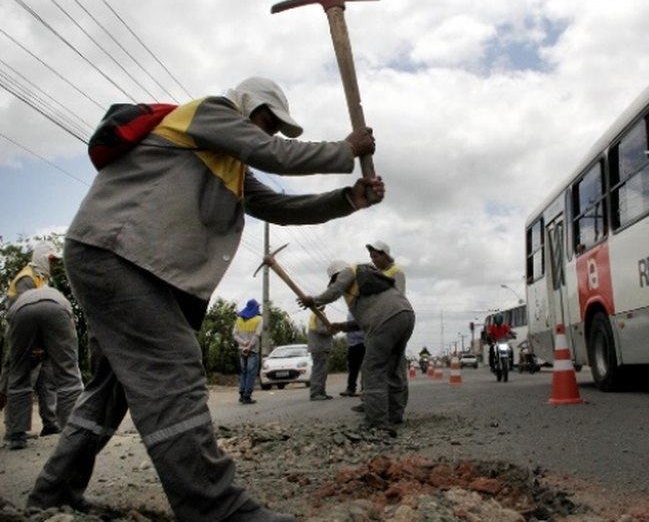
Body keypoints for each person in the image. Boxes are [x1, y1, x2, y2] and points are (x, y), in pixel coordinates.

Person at [26, 76, 382, 522]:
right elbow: (275, 155)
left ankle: (52, 493)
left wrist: (349, 198)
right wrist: (346, 150)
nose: (268, 134)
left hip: (125, 261)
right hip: (117, 253)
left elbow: (279, 207)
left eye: (274, 128)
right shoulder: (211, 112)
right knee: (174, 368)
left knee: (111, 389)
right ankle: (214, 508)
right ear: (246, 106)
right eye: (267, 121)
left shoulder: (230, 163)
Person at [295, 260, 414, 435]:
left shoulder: (348, 272)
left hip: (386, 320)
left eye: (335, 280)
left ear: (337, 276)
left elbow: (334, 292)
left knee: (372, 369)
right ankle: (395, 415)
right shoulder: (370, 280)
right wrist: (342, 326)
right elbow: (365, 319)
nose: (338, 284)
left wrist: (312, 300)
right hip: (406, 315)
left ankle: (377, 422)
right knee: (393, 368)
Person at [2, 286, 83, 450]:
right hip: (57, 307)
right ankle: (74, 431)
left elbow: (10, 362)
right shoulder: (58, 299)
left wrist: (3, 387)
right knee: (68, 373)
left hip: (20, 311)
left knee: (18, 373)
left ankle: (16, 435)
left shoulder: (18, 303)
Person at [1, 241, 64, 438]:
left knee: (47, 378)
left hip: (39, 339)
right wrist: (33, 344)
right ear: (42, 258)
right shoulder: (26, 279)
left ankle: (51, 423)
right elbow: (23, 314)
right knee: (17, 381)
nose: (53, 265)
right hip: (23, 339)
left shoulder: (40, 279)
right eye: (51, 260)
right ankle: (15, 430)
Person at [233, 299, 263, 405]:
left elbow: (235, 335)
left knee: (244, 372)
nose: (258, 308)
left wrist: (243, 343)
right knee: (251, 373)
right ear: (255, 308)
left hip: (241, 349)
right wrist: (249, 346)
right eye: (257, 307)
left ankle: (241, 394)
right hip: (252, 350)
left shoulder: (239, 320)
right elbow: (257, 335)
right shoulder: (259, 319)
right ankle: (247, 396)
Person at [307, 310, 334, 401]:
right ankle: (316, 393)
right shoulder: (319, 315)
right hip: (320, 347)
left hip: (318, 347)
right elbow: (321, 330)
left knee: (322, 371)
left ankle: (321, 392)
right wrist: (331, 330)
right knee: (319, 371)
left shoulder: (315, 314)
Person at [340, 310, 365, 397]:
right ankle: (351, 388)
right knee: (352, 367)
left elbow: (362, 326)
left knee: (365, 366)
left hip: (363, 342)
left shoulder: (363, 309)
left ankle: (365, 388)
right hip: (352, 344)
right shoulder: (350, 311)